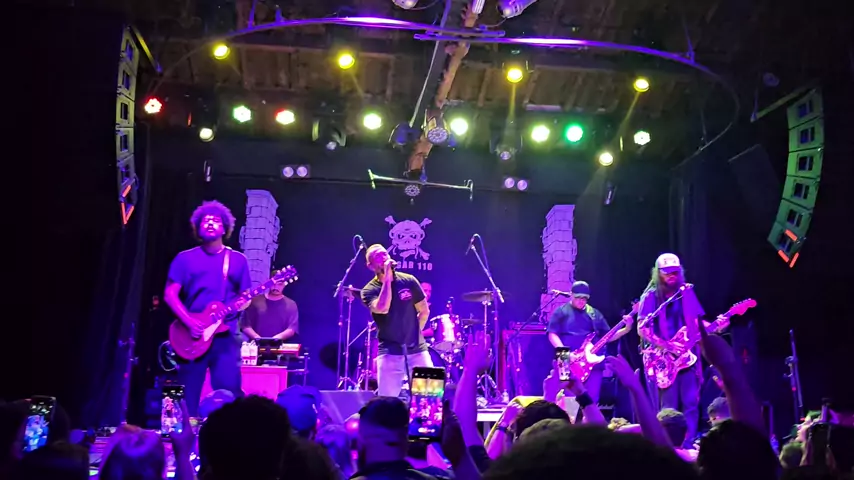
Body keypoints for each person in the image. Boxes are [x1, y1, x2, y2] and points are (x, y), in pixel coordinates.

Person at [164, 200, 252, 416]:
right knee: (185, 394)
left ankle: (229, 432)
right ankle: (181, 433)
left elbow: (246, 297)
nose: (210, 223)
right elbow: (170, 294)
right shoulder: (184, 258)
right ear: (197, 227)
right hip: (191, 335)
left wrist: (239, 305)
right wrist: (189, 322)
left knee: (229, 392)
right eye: (205, 221)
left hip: (225, 335)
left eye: (215, 220)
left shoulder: (238, 260)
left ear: (224, 228)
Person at [637, 253, 704, 447]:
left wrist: (716, 326)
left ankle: (688, 443)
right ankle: (667, 445)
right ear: (658, 273)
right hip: (663, 359)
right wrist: (667, 345)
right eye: (666, 273)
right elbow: (642, 328)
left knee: (691, 403)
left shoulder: (687, 293)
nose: (671, 276)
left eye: (675, 272)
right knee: (668, 407)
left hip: (686, 358)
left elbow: (697, 323)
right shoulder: (651, 296)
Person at [360, 244, 431, 397]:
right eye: (377, 257)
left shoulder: (408, 280)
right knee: (387, 400)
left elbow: (424, 311)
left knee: (429, 398)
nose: (383, 258)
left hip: (417, 350)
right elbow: (382, 308)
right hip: (389, 352)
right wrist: (387, 279)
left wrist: (414, 334)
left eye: (384, 254)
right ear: (370, 266)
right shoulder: (369, 290)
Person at [546, 281, 633, 403]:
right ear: (571, 294)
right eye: (578, 297)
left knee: (591, 400)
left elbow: (607, 337)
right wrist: (565, 353)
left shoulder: (594, 314)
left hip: (591, 360)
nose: (581, 301)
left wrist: (626, 329)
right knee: (568, 399)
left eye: (584, 298)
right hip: (565, 358)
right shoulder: (561, 311)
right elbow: (552, 334)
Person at [241, 268, 299, 342]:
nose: (276, 287)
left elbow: (292, 329)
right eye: (273, 284)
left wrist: (275, 339)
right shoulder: (255, 301)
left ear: (284, 284)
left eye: (280, 284)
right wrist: (258, 339)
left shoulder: (291, 304)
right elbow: (245, 325)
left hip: (279, 346)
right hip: (255, 345)